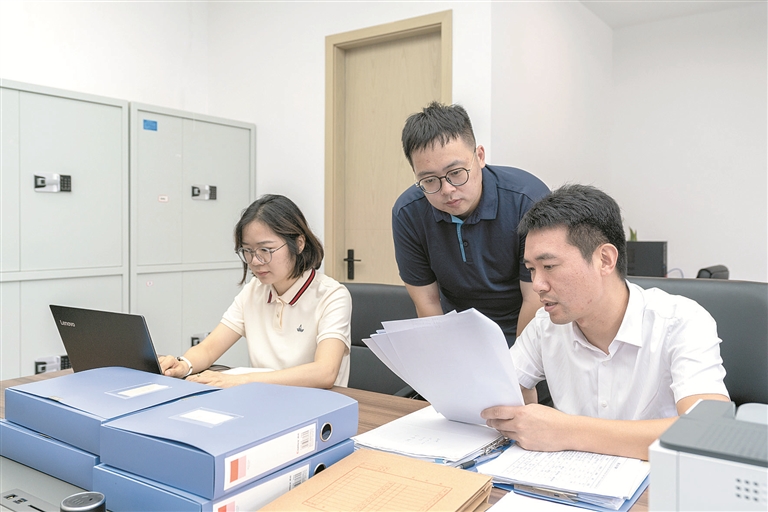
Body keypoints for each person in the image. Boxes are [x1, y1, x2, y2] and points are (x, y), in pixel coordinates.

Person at [481, 184, 729, 460]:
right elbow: (498, 394)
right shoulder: (544, 326)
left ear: (605, 259)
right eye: (531, 269)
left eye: (549, 266)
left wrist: (566, 431)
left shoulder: (681, 322)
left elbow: (709, 432)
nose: (537, 284)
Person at [392, 102, 550, 344]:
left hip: (526, 330)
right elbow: (428, 302)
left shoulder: (527, 200)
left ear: (480, 156)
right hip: (457, 334)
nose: (447, 190)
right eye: (430, 180)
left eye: (456, 173)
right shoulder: (408, 213)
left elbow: (535, 297)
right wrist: (450, 358)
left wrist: (517, 362)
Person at [160, 194, 351, 389]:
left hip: (316, 401)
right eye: (248, 251)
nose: (255, 261)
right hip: (264, 397)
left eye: (265, 250)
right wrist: (184, 365)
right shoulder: (254, 291)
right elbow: (209, 348)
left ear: (299, 244)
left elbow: (325, 372)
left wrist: (242, 380)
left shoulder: (332, 296)